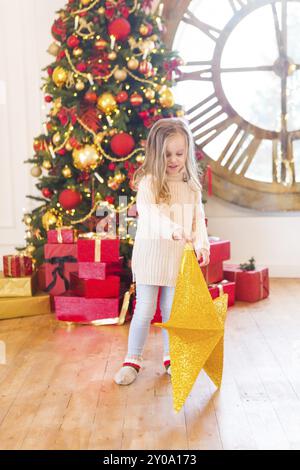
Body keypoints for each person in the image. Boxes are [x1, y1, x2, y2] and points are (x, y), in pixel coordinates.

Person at [114, 117, 210, 386]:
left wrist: (202, 244)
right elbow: (150, 214)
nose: (174, 159)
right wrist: (173, 230)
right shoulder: (149, 183)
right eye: (167, 154)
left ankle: (171, 358)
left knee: (171, 310)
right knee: (144, 309)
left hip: (176, 258)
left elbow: (197, 218)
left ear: (187, 151)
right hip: (150, 257)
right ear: (156, 153)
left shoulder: (191, 185)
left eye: (179, 153)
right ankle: (132, 360)